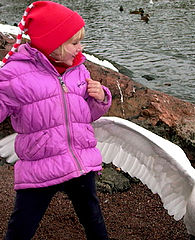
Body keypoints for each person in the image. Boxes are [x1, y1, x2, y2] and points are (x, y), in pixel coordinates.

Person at [0, 1, 112, 240]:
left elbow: (86, 116)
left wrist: (100, 98)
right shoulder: (14, 75)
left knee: (93, 218)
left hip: (79, 162)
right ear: (52, 43)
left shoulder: (78, 70)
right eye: (74, 43)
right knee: (22, 225)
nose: (80, 48)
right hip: (40, 167)